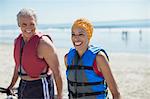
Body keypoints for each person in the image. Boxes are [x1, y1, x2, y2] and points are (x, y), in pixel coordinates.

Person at [7, 8, 63, 99]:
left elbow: (57, 72)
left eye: (32, 24)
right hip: (23, 85)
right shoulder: (17, 41)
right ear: (19, 24)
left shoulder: (44, 44)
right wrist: (11, 85)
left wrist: (60, 95)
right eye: (24, 24)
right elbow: (18, 65)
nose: (28, 28)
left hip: (40, 86)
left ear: (36, 23)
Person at [64, 18, 121, 99]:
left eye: (81, 34)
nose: (76, 38)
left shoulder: (99, 58)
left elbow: (116, 93)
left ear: (89, 36)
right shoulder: (67, 58)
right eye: (73, 34)